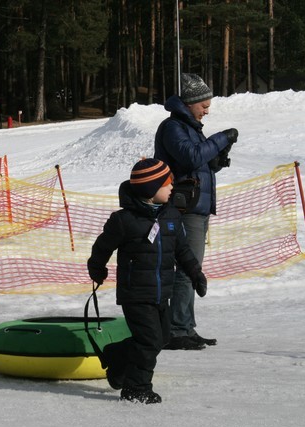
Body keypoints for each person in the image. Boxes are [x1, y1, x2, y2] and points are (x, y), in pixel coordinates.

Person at [87, 159, 207, 404]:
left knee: (162, 337)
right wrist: (97, 268)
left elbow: (182, 250)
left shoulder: (171, 215)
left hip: (163, 291)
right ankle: (136, 388)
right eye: (167, 184)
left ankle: (116, 355)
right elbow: (102, 247)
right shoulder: (125, 220)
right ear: (150, 190)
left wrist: (196, 273)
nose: (172, 188)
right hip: (136, 293)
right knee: (149, 340)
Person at [153, 73, 238, 350]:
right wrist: (220, 139)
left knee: (192, 268)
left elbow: (196, 162)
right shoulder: (173, 127)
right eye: (203, 104)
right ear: (189, 102)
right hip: (184, 207)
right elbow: (190, 156)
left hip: (196, 207)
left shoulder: (190, 126)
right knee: (188, 268)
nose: (207, 110)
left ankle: (185, 327)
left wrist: (216, 161)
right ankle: (177, 330)